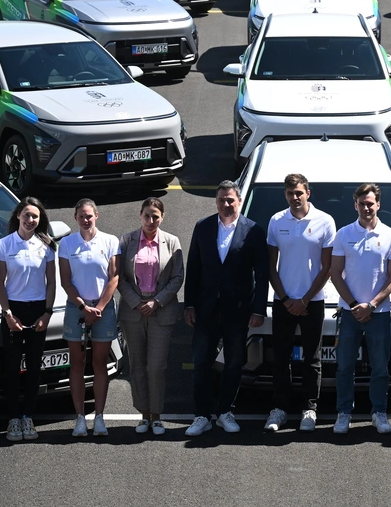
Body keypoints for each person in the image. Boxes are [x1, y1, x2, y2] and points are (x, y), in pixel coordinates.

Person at [183, 180, 268, 437]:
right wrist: (188, 304)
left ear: (239, 201)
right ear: (216, 202)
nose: (226, 204)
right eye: (221, 200)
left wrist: (258, 309)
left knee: (234, 363)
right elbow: (194, 268)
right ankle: (202, 415)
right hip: (206, 309)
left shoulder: (253, 230)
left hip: (238, 311)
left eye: (230, 199)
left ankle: (225, 412)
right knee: (201, 363)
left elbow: (262, 274)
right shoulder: (203, 227)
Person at [264, 173, 335, 433]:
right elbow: (270, 266)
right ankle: (279, 409)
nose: (295, 198)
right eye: (290, 193)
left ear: (308, 193)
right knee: (281, 358)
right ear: (285, 195)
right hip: (282, 301)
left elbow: (327, 267)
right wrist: (285, 298)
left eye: (299, 193)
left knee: (311, 359)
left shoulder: (325, 221)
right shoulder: (276, 221)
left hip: (312, 301)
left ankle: (309, 408)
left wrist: (304, 299)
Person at [329, 183, 391, 436]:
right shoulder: (343, 234)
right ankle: (344, 413)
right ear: (355, 205)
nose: (366, 207)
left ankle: (378, 412)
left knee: (380, 367)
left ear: (378, 204)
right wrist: (353, 305)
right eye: (362, 203)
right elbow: (335, 273)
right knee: (344, 367)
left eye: (371, 203)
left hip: (378, 314)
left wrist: (371, 305)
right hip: (348, 313)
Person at [117, 198, 184, 437]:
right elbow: (119, 278)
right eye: (147, 215)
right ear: (140, 215)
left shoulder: (172, 242)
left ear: (162, 217)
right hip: (133, 312)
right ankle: (143, 414)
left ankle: (157, 415)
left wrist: (157, 302)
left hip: (161, 311)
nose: (151, 221)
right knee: (136, 366)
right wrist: (137, 302)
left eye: (155, 216)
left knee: (156, 366)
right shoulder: (126, 241)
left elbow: (177, 278)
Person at [0, 198, 57, 443]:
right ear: (18, 215)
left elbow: (51, 282)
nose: (31, 220)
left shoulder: (47, 245)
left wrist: (47, 313)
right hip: (14, 310)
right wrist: (7, 314)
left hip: (38, 309)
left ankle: (28, 416)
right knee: (11, 367)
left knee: (33, 367)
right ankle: (13, 418)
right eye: (27, 215)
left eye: (36, 217)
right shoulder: (4, 244)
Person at [59, 199, 121, 438]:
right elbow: (65, 281)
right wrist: (83, 307)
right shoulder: (66, 244)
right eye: (81, 216)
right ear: (75, 218)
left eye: (89, 215)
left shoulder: (110, 241)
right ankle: (79, 418)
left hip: (102, 308)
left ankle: (99, 417)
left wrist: (99, 308)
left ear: (97, 215)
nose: (86, 220)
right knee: (77, 362)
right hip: (77, 308)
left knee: (99, 363)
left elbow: (113, 278)